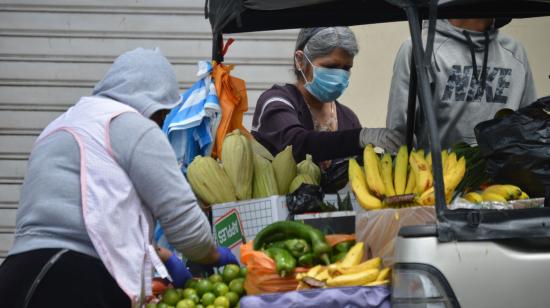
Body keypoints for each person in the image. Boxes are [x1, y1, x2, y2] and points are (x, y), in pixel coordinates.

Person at [0, 48, 238, 308]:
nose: (161, 121)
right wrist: (213, 253)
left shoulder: (58, 127)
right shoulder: (133, 126)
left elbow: (86, 223)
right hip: (76, 283)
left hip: (15, 276)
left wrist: (164, 256)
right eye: (162, 113)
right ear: (150, 100)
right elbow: (182, 219)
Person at [252, 27, 404, 171]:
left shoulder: (348, 119)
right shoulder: (277, 102)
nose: (339, 75)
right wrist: (360, 137)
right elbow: (296, 145)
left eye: (346, 68)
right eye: (331, 66)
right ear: (300, 60)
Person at [386, 18, 537, 150]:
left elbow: (531, 126)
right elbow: (398, 138)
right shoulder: (421, 49)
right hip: (438, 177)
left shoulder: (515, 52)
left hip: (504, 177)